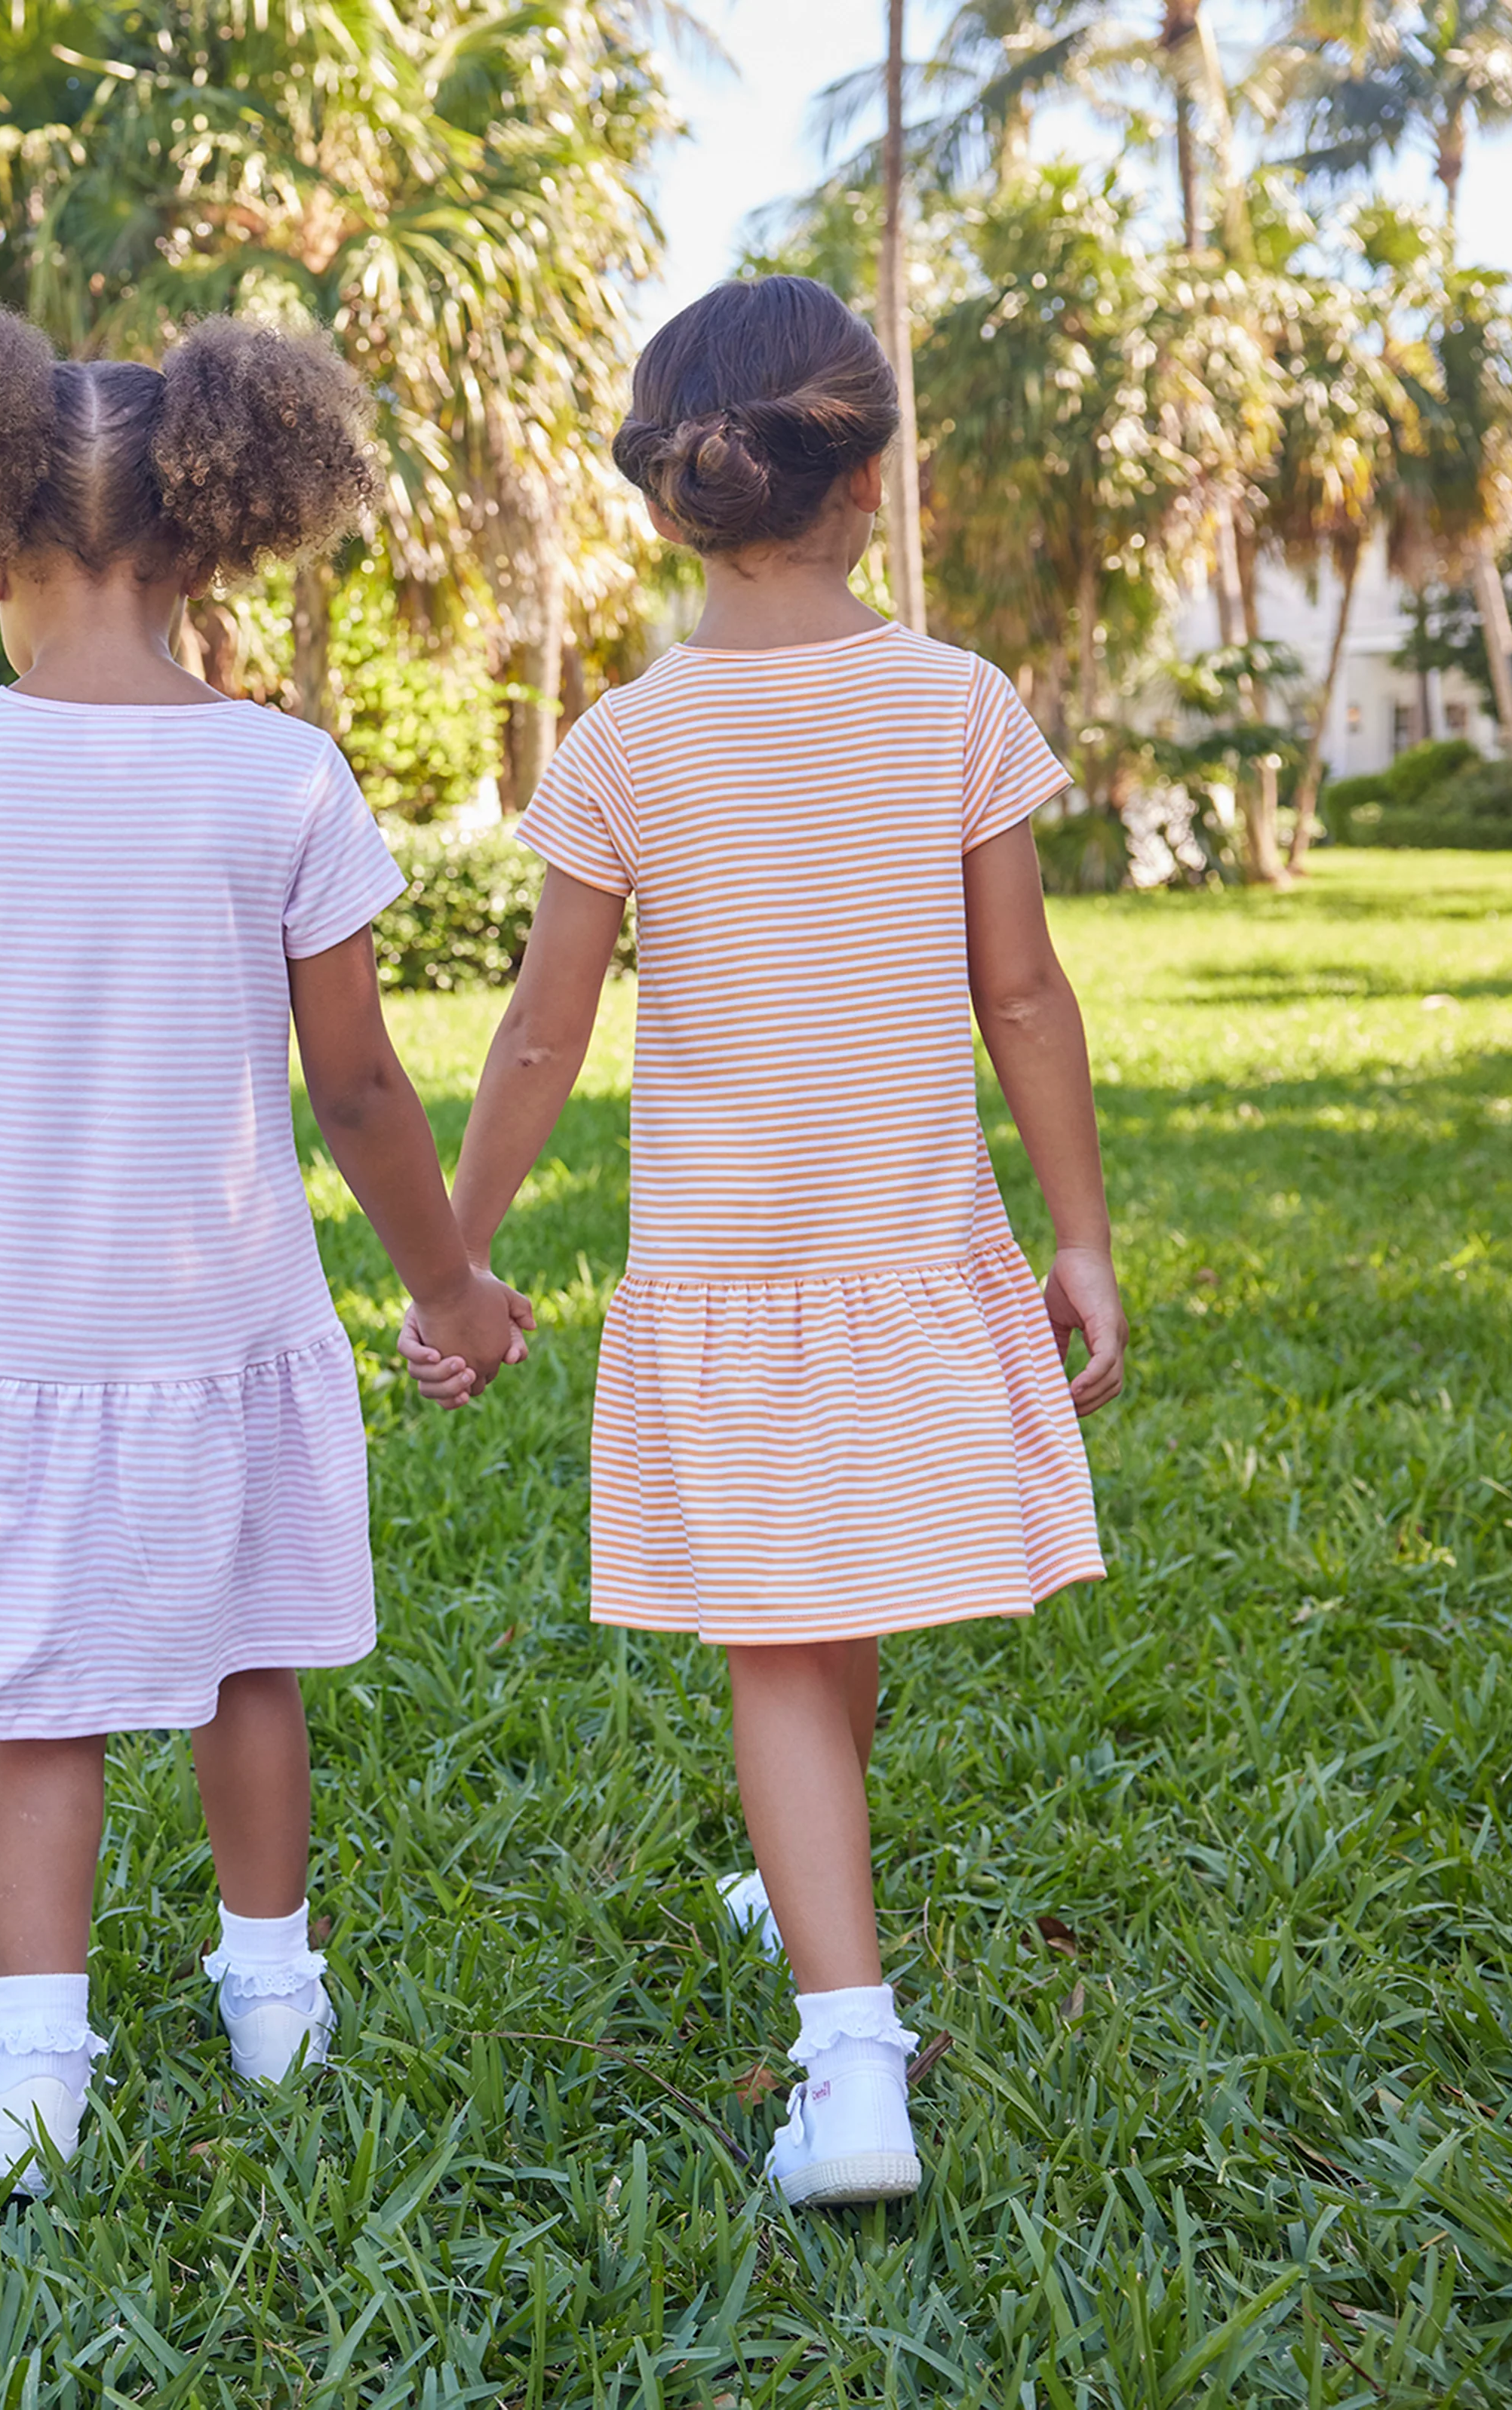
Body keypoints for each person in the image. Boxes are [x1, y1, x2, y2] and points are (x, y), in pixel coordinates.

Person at [0, 308, 531, 2195]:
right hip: (226, 1312)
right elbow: (363, 1088)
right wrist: (445, 1283)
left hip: (10, 1322)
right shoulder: (285, 778)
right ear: (209, 543)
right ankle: (274, 2000)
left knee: (36, 1697)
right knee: (247, 1654)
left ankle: (36, 2064)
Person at [404, 275, 1126, 2211]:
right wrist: (1081, 1232)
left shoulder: (625, 740)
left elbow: (545, 1032)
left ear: (669, 494)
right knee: (832, 1606)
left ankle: (847, 2058)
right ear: (868, 478)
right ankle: (807, 1895)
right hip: (908, 1241)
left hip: (731, 1269)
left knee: (785, 1639)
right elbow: (1027, 995)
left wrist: (451, 1259)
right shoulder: (954, 700)